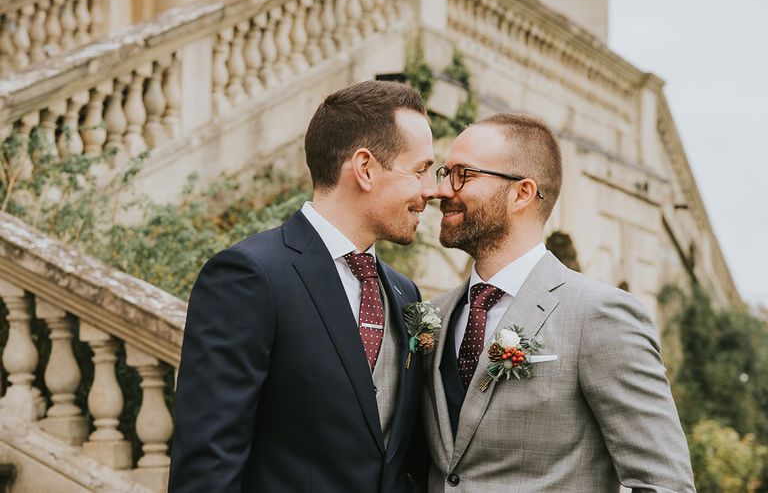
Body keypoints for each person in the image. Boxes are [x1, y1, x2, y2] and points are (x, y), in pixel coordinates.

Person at [169, 80, 436, 492]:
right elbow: (208, 460)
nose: (431, 190)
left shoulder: (405, 295)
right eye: (419, 170)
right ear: (365, 168)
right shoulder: (250, 277)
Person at [422, 113, 695, 492]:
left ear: (522, 192)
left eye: (463, 174)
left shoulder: (600, 316)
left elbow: (664, 482)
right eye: (444, 172)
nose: (441, 191)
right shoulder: (433, 315)